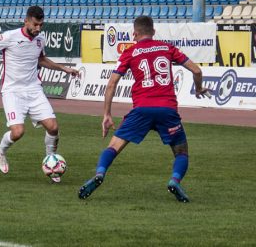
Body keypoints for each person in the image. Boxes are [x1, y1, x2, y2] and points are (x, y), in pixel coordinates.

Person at [78, 16, 211, 202]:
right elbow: (197, 70)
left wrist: (107, 114)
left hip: (141, 109)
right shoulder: (167, 48)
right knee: (181, 153)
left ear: (135, 33)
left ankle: (100, 173)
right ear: (154, 32)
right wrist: (198, 88)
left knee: (113, 147)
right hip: (167, 110)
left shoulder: (130, 52)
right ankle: (174, 181)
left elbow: (111, 84)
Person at [0, 6, 79, 183]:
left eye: (41, 25)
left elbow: (41, 59)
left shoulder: (40, 39)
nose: (38, 28)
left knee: (53, 127)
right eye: (36, 24)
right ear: (26, 21)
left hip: (34, 90)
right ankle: (1, 150)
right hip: (13, 92)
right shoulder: (9, 37)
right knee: (18, 132)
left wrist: (64, 68)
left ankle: (51, 162)